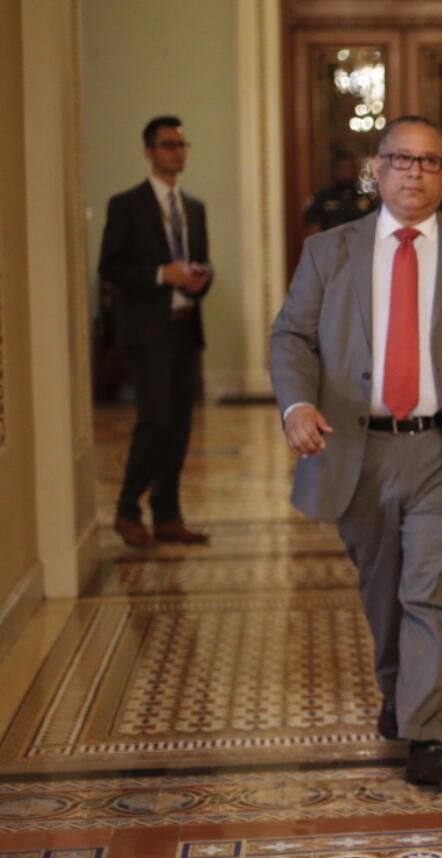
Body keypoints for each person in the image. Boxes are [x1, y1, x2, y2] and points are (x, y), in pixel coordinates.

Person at [270, 115, 442, 785]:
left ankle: (426, 733)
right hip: (356, 449)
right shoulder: (328, 250)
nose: (414, 173)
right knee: (384, 590)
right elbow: (291, 339)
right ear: (379, 167)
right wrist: (296, 403)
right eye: (401, 160)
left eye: (428, 162)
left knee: (432, 590)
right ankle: (400, 692)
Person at [101, 115, 213, 548]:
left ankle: (167, 514)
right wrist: (161, 275)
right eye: (168, 145)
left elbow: (199, 263)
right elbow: (110, 267)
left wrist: (203, 278)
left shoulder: (196, 208)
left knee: (181, 425)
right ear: (149, 151)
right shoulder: (125, 205)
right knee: (156, 421)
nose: (177, 152)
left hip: (187, 329)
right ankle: (127, 509)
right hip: (148, 332)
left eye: (182, 145)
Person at [304, 152, 373, 234]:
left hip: (359, 243)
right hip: (329, 244)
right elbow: (313, 226)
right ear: (334, 170)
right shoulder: (322, 197)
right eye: (342, 168)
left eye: (349, 167)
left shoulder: (365, 198)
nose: (346, 172)